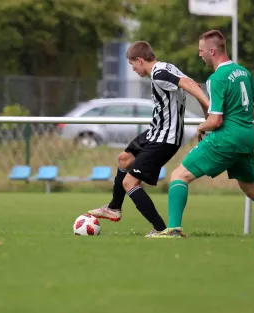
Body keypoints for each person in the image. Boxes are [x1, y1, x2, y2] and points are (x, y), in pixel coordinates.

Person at [154, 30, 254, 240]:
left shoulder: (216, 79)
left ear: (212, 51)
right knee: (252, 189)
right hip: (246, 138)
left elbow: (215, 121)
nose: (199, 55)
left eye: (201, 51)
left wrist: (201, 128)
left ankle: (174, 229)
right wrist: (241, 119)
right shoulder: (243, 72)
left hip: (226, 138)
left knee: (179, 176)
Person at [87, 41, 209, 237]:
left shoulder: (160, 73)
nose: (133, 69)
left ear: (140, 60)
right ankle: (114, 207)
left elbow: (188, 85)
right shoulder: (166, 67)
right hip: (155, 132)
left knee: (129, 183)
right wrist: (206, 117)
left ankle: (161, 229)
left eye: (132, 64)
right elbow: (192, 84)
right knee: (124, 159)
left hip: (164, 138)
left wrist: (209, 111)